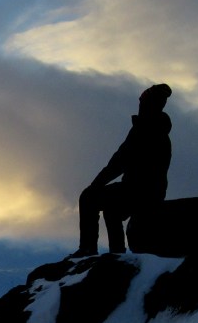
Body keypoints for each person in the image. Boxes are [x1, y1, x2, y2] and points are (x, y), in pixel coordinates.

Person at [70, 83, 172, 256]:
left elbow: (119, 162)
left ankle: (90, 249)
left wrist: (96, 185)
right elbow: (121, 160)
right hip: (150, 191)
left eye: (143, 102)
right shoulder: (155, 129)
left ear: (150, 104)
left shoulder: (145, 130)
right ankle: (116, 253)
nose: (140, 106)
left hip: (139, 190)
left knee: (88, 198)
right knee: (112, 208)